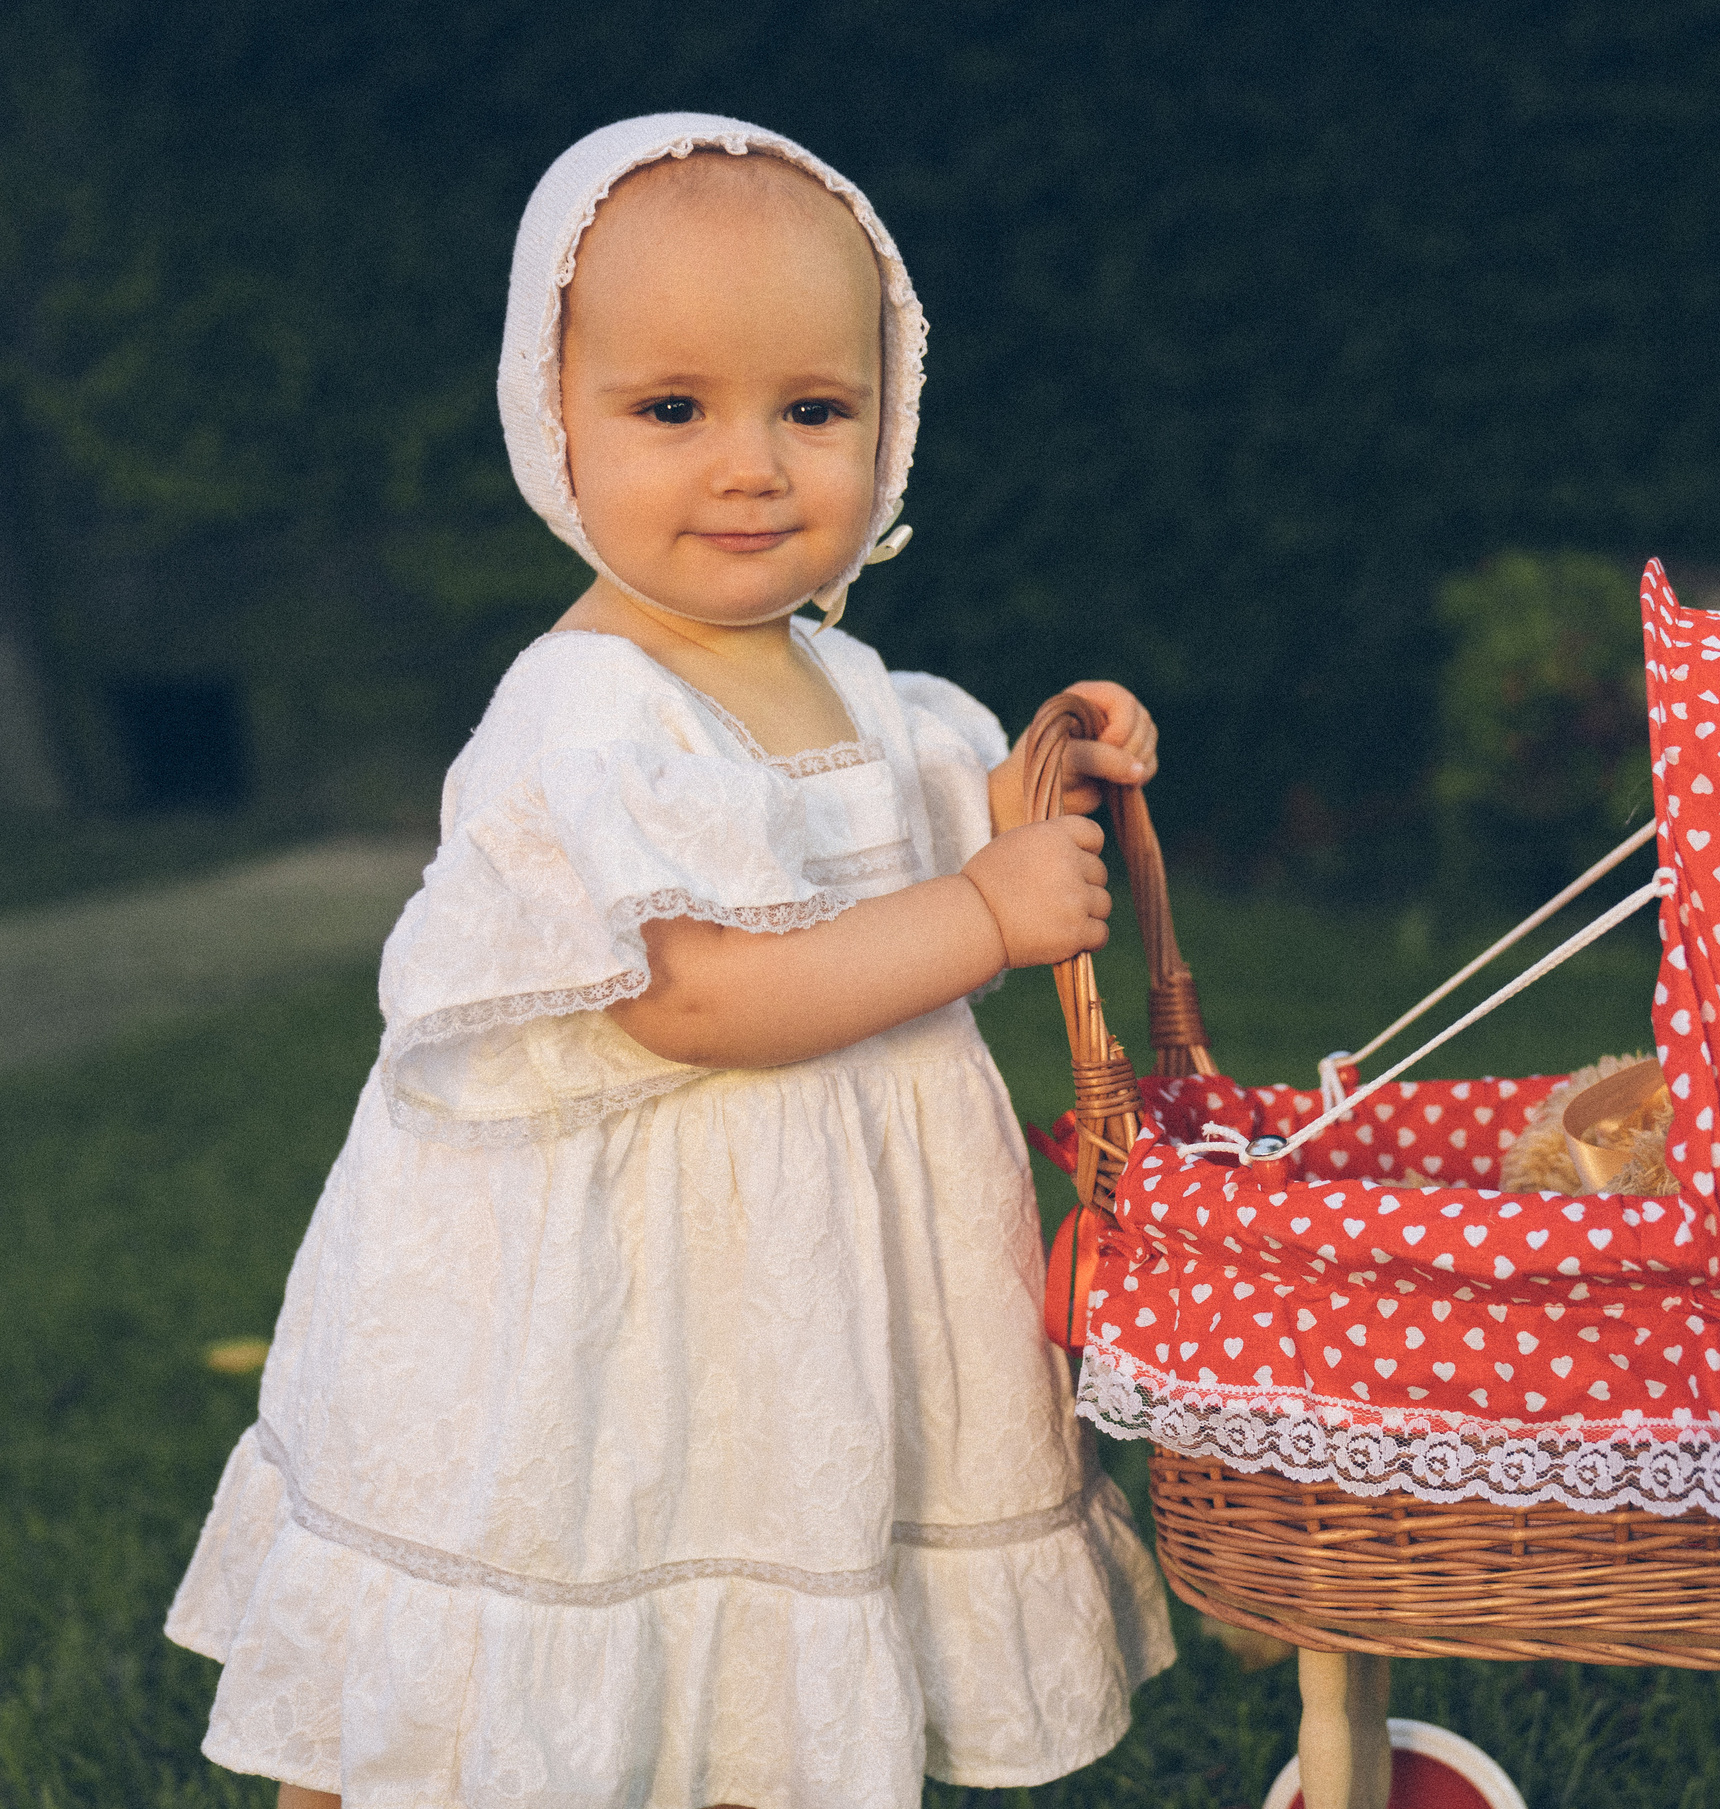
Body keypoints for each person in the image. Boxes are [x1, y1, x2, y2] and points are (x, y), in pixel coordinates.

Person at [164, 113, 1176, 1809]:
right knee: (545, 1606)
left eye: (814, 410)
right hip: (610, 1315)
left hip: (794, 1312)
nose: (753, 465)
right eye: (672, 410)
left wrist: (1050, 769)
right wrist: (987, 918)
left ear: (887, 422)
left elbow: (930, 834)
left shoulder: (853, 688)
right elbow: (699, 994)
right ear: (552, 425)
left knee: (747, 1632)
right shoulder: (587, 711)